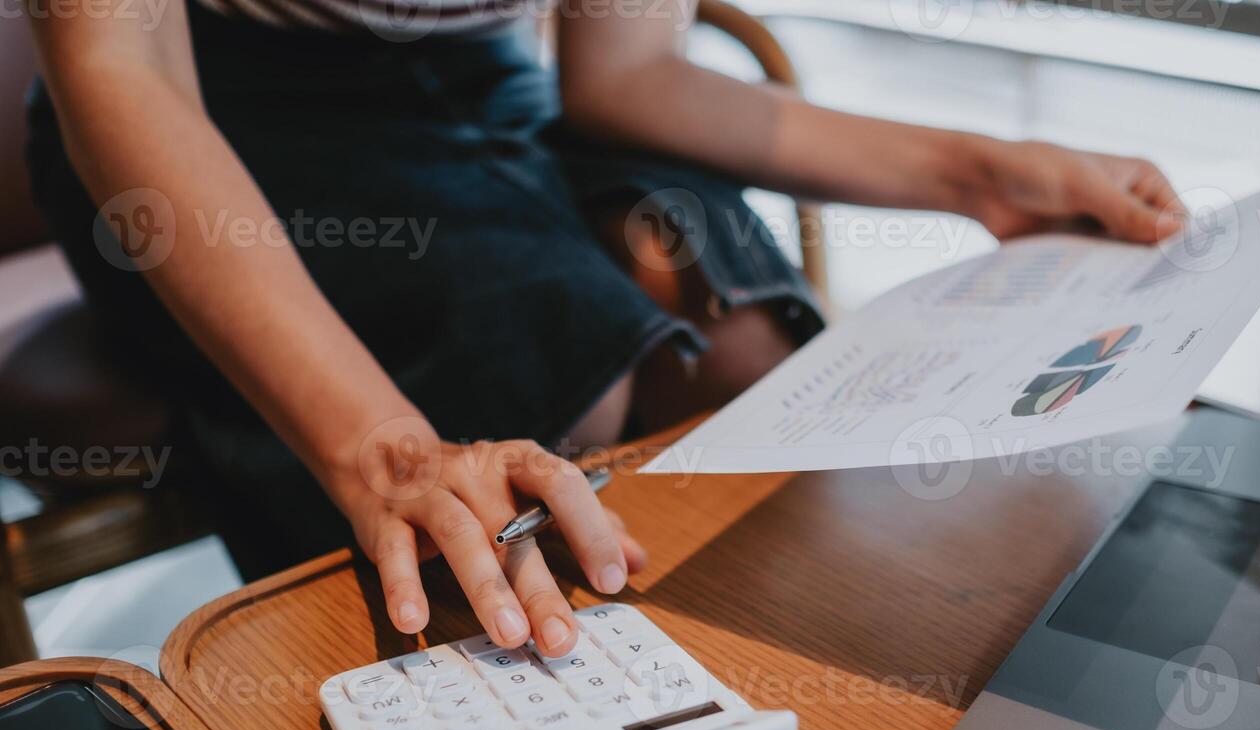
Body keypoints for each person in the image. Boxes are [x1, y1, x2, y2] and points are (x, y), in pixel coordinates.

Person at [24, 0, 1183, 657]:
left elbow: (630, 75)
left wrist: (981, 175)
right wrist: (388, 447)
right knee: (549, 428)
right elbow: (120, 64)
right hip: (203, 120)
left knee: (737, 350)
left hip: (482, 92)